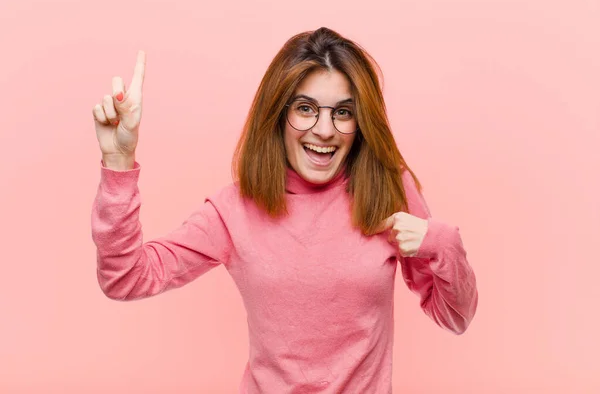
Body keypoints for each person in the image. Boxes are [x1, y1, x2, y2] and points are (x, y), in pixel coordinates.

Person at [91, 27, 478, 393]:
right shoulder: (234, 210)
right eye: (306, 108)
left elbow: (455, 316)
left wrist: (441, 241)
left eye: (342, 112)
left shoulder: (387, 191)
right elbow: (125, 278)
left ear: (361, 122)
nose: (325, 129)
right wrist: (119, 160)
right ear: (278, 115)